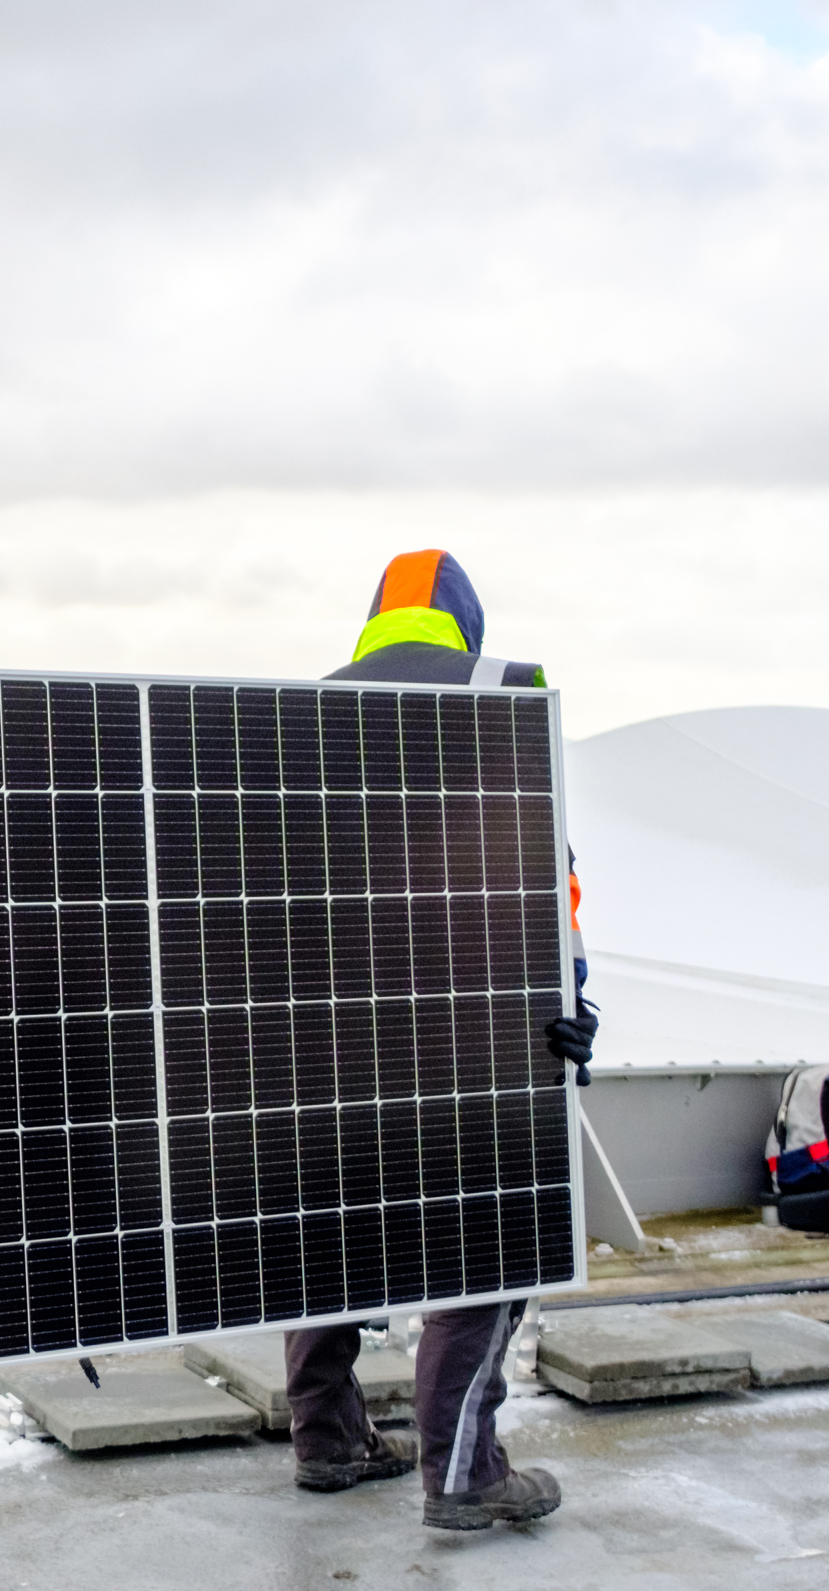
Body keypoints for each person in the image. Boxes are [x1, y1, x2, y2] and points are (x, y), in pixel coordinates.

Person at [282, 548, 597, 1530]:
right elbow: (544, 880)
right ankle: (464, 1472)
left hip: (318, 1041)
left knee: (325, 1225)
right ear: (466, 618)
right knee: (488, 1241)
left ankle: (328, 1438)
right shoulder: (503, 692)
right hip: (468, 1037)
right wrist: (571, 1001)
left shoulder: (295, 712)